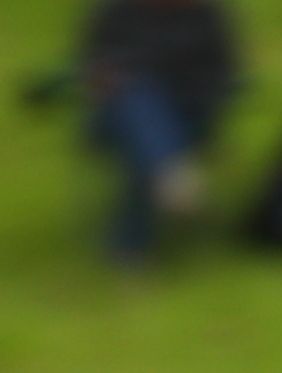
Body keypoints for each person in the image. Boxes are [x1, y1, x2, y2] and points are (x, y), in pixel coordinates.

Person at [67, 0, 241, 267]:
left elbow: (224, 77)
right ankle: (171, 177)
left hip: (187, 118)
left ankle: (131, 250)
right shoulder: (116, 11)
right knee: (137, 95)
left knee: (144, 149)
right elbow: (92, 67)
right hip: (117, 120)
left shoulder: (208, 15)